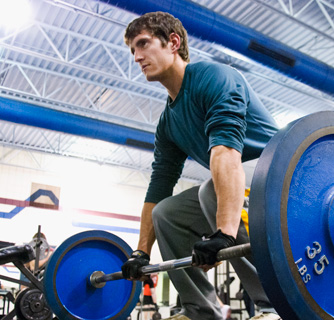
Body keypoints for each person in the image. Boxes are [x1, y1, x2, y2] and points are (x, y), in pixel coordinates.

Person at [120, 11, 280, 320]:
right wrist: (141, 251)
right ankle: (201, 311)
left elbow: (226, 152)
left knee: (212, 191)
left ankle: (273, 305)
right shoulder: (168, 123)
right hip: (239, 184)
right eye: (132, 50)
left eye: (143, 44)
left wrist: (225, 232)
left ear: (173, 43)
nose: (137, 56)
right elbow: (159, 186)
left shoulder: (215, 77)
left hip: (282, 173)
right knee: (166, 214)